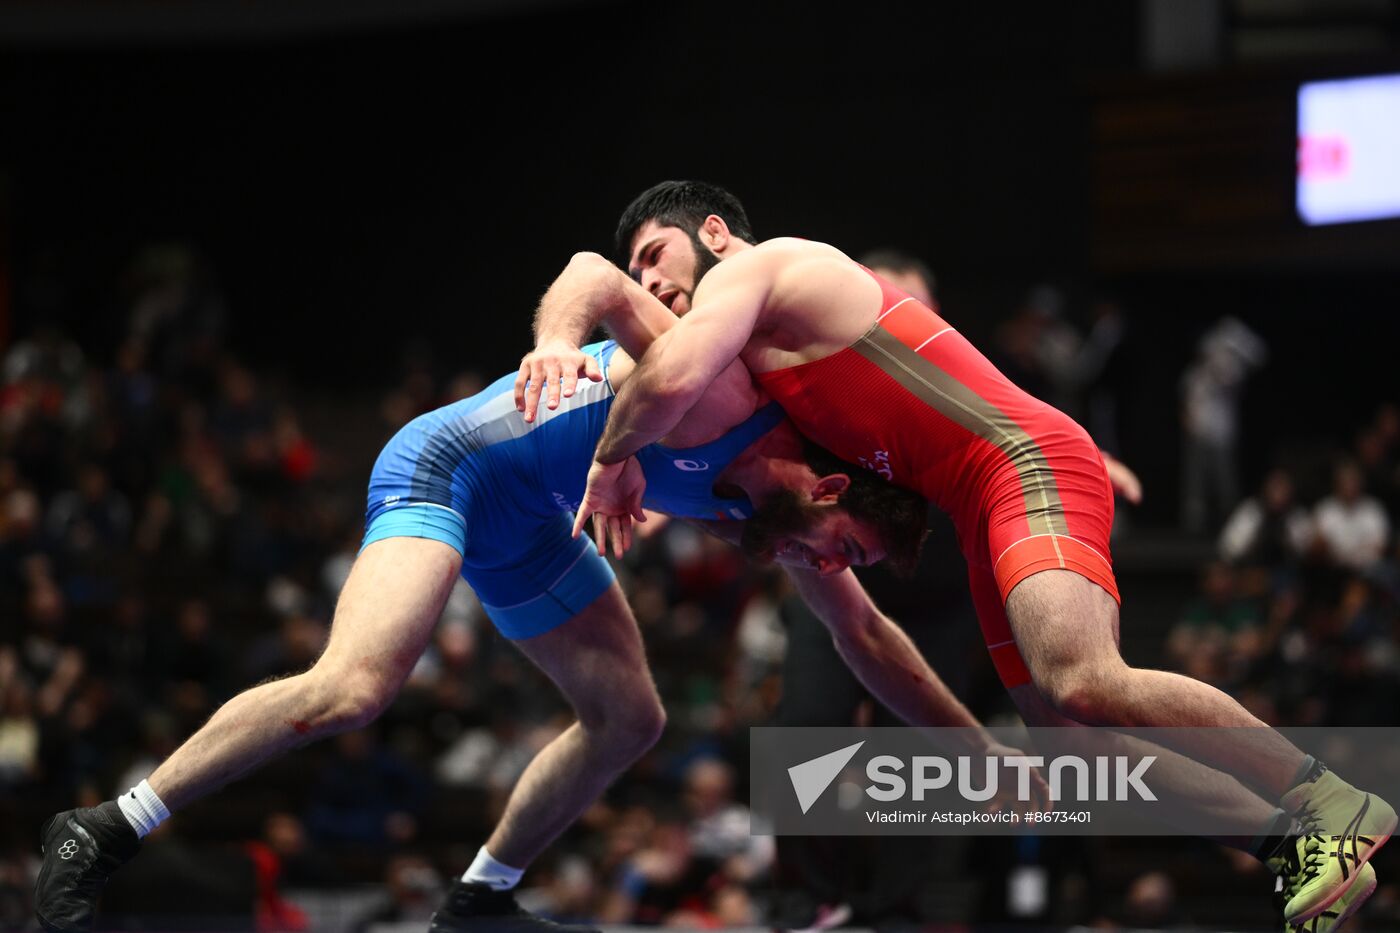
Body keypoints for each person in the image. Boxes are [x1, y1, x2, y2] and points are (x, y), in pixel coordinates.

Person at [35, 262, 1022, 933]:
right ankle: (106, 827)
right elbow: (596, 274)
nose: (826, 571)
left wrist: (975, 758)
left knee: (629, 716)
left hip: (528, 519)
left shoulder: (776, 521)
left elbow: (872, 645)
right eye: (839, 551)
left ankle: (478, 901)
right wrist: (555, 343)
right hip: (449, 467)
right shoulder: (722, 392)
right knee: (353, 688)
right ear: (829, 487)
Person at [552, 180, 1392, 929]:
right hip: (981, 497)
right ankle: (1293, 848)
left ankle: (1328, 796)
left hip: (1020, 464)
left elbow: (662, 377)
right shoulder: (760, 361)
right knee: (1079, 750)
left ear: (716, 234)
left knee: (1080, 675)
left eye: (656, 253)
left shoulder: (758, 270)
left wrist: (612, 458)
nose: (649, 280)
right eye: (636, 267)